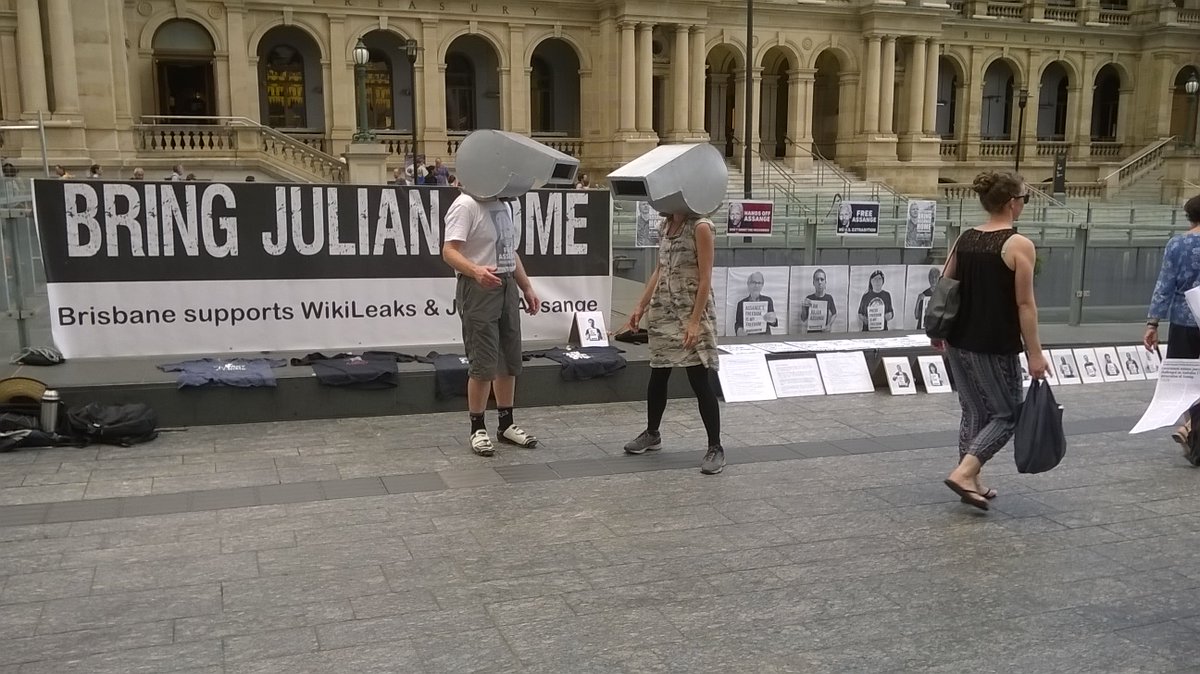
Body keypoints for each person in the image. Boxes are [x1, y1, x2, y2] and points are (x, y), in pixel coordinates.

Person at [938, 170, 1048, 511]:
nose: (1024, 205)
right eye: (1024, 199)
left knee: (972, 410)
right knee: (1008, 414)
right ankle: (964, 472)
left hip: (958, 338)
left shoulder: (965, 238)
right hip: (993, 341)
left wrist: (938, 331)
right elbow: (1025, 304)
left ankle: (971, 480)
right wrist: (1035, 353)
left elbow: (945, 284)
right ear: (1012, 204)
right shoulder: (1018, 244)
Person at [441, 171, 541, 457]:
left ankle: (506, 424)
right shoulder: (465, 205)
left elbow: (510, 250)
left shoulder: (503, 205)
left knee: (509, 357)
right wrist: (475, 271)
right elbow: (449, 251)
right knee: (483, 360)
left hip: (506, 283)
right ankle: (477, 427)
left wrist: (527, 287)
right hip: (478, 287)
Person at [622, 208, 725, 475]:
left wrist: (694, 321)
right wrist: (640, 306)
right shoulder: (664, 226)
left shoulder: (700, 226)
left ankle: (715, 446)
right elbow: (660, 268)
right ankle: (652, 433)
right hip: (663, 308)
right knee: (658, 372)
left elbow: (705, 279)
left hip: (691, 308)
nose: (657, 206)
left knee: (699, 378)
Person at [1145, 195, 1200, 456]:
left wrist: (1153, 322)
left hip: (1183, 319)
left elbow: (1164, 284)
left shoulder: (1177, 244)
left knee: (1187, 381)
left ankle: (1193, 433)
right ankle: (1193, 433)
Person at [800, 268, 837, 333]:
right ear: (813, 283)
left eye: (822, 279)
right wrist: (803, 307)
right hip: (811, 334)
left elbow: (834, 314)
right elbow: (803, 319)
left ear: (825, 282)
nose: (819, 282)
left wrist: (829, 325)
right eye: (817, 280)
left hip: (824, 332)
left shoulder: (829, 298)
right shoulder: (809, 299)